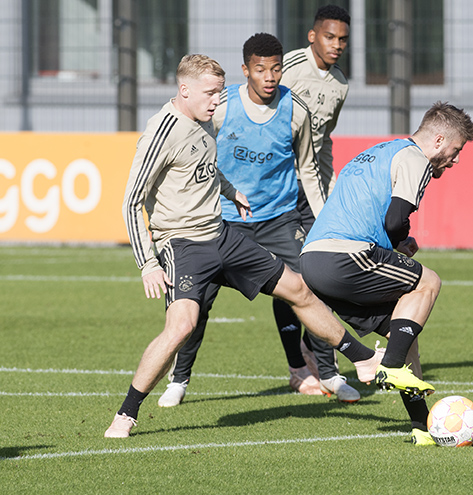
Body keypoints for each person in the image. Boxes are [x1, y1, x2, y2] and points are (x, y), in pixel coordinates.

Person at [107, 53, 384, 439]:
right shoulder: (161, 132)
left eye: (220, 92)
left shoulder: (203, 120)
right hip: (182, 245)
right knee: (182, 325)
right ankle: (126, 413)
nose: (216, 100)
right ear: (183, 90)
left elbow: (201, 165)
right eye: (209, 93)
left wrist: (229, 188)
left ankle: (363, 359)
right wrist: (148, 264)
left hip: (221, 234)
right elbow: (132, 200)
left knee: (299, 288)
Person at [156, 31, 360, 407]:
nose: (270, 77)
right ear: (246, 70)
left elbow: (309, 171)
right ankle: (179, 379)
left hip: (279, 219)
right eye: (261, 69)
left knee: (310, 288)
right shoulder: (223, 107)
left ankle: (329, 374)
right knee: (197, 300)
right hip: (224, 222)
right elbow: (199, 158)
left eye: (276, 69)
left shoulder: (296, 109)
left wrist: (324, 220)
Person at [300, 102, 473, 446]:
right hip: (346, 255)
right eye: (456, 150)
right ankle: (391, 364)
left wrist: (399, 241)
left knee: (405, 332)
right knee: (429, 282)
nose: (456, 160)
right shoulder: (415, 158)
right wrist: (401, 239)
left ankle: (421, 428)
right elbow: (394, 220)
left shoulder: (379, 151)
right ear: (439, 140)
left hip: (312, 259)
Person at [275, 4, 353, 397]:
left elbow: (320, 144)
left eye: (342, 39)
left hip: (311, 191)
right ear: (312, 36)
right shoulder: (286, 67)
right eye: (329, 37)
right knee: (285, 277)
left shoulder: (339, 84)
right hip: (270, 190)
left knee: (312, 273)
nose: (337, 45)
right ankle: (180, 376)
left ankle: (316, 362)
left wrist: (328, 189)